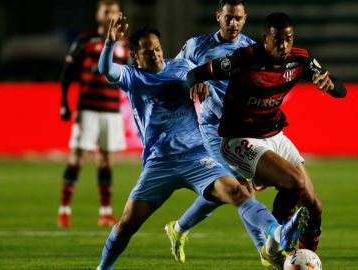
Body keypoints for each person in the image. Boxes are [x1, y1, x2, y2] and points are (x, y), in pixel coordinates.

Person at [95, 15, 308, 270]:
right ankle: (102, 269)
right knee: (127, 224)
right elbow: (106, 70)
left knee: (236, 191)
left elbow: (199, 80)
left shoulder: (182, 67)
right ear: (135, 56)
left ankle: (278, 232)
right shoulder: (132, 77)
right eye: (147, 52)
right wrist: (109, 44)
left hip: (197, 157)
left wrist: (201, 85)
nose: (156, 55)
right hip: (160, 163)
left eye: (158, 49)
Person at [187, 12, 347, 270]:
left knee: (314, 207)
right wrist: (197, 83)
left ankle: (301, 261)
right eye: (278, 40)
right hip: (240, 138)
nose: (284, 45)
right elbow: (197, 73)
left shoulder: (300, 59)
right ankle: (273, 249)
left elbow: (341, 90)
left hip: (275, 134)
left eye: (288, 39)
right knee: (293, 181)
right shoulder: (245, 58)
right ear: (265, 40)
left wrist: (329, 85)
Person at [163, 0, 272, 268]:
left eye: (238, 18)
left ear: (245, 19)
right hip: (213, 128)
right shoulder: (196, 46)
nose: (233, 23)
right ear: (218, 17)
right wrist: (194, 77)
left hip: (244, 126)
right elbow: (174, 71)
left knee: (229, 190)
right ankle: (266, 252)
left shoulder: (250, 49)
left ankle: (179, 227)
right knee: (242, 188)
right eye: (228, 18)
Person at [57, 0, 129, 228]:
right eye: (105, 10)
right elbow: (68, 71)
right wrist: (64, 102)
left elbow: (128, 76)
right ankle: (64, 209)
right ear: (97, 14)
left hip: (112, 110)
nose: (109, 13)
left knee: (107, 161)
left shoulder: (124, 45)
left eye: (113, 10)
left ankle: (105, 212)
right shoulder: (85, 40)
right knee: (77, 157)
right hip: (87, 108)